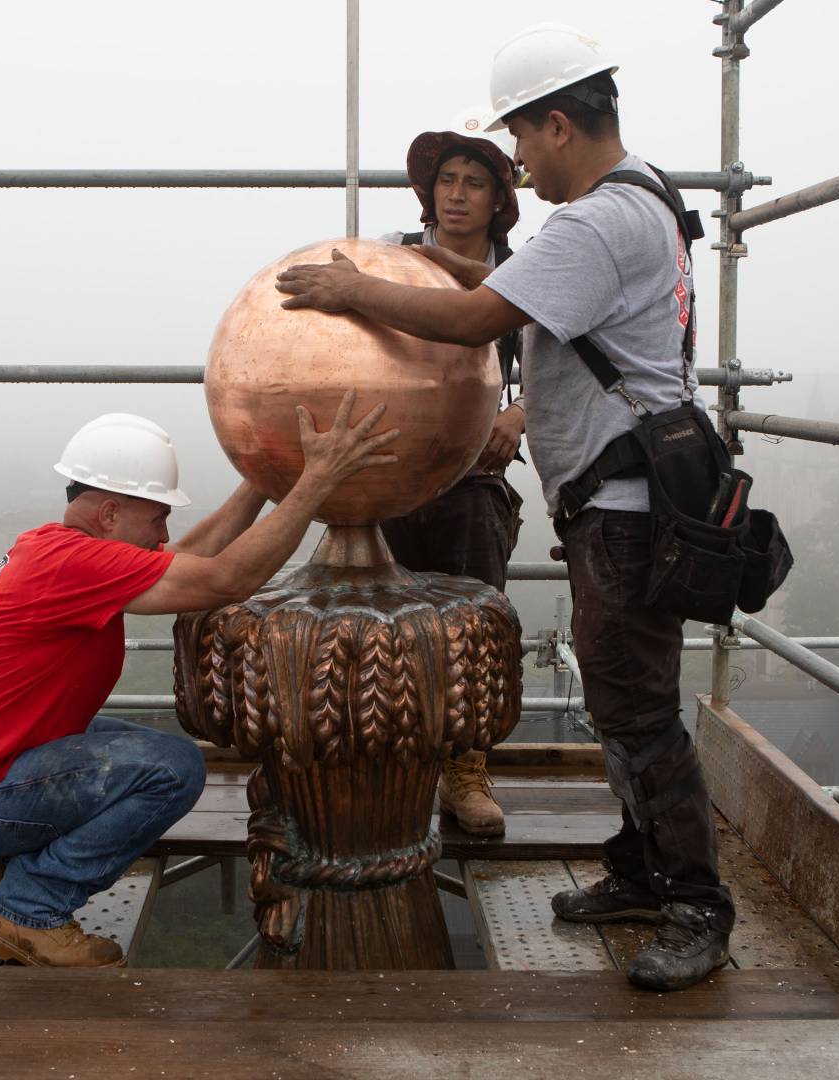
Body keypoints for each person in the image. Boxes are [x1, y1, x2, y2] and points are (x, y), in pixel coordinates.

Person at [274, 23, 732, 992]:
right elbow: (514, 288)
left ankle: (696, 905)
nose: (516, 163)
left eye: (520, 141)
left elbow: (485, 317)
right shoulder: (645, 195)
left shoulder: (598, 220)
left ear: (559, 125)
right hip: (627, 493)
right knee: (620, 696)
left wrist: (357, 291)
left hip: (622, 503)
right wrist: (432, 270)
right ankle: (642, 868)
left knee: (636, 706)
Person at [0, 397, 399, 968]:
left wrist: (262, 484)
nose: (165, 531)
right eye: (157, 515)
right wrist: (316, 483)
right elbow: (225, 578)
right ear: (111, 514)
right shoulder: (72, 565)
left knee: (131, 749)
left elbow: (189, 558)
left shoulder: (59, 550)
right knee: (172, 769)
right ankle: (29, 911)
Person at [377, 109, 526, 838]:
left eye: (475, 182)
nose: (458, 195)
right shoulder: (391, 259)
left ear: (499, 200)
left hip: (472, 473)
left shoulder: (525, 271)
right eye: (447, 181)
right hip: (392, 466)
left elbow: (561, 354)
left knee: (472, 623)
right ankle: (383, 760)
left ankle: (464, 768)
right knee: (378, 622)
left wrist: (518, 415)